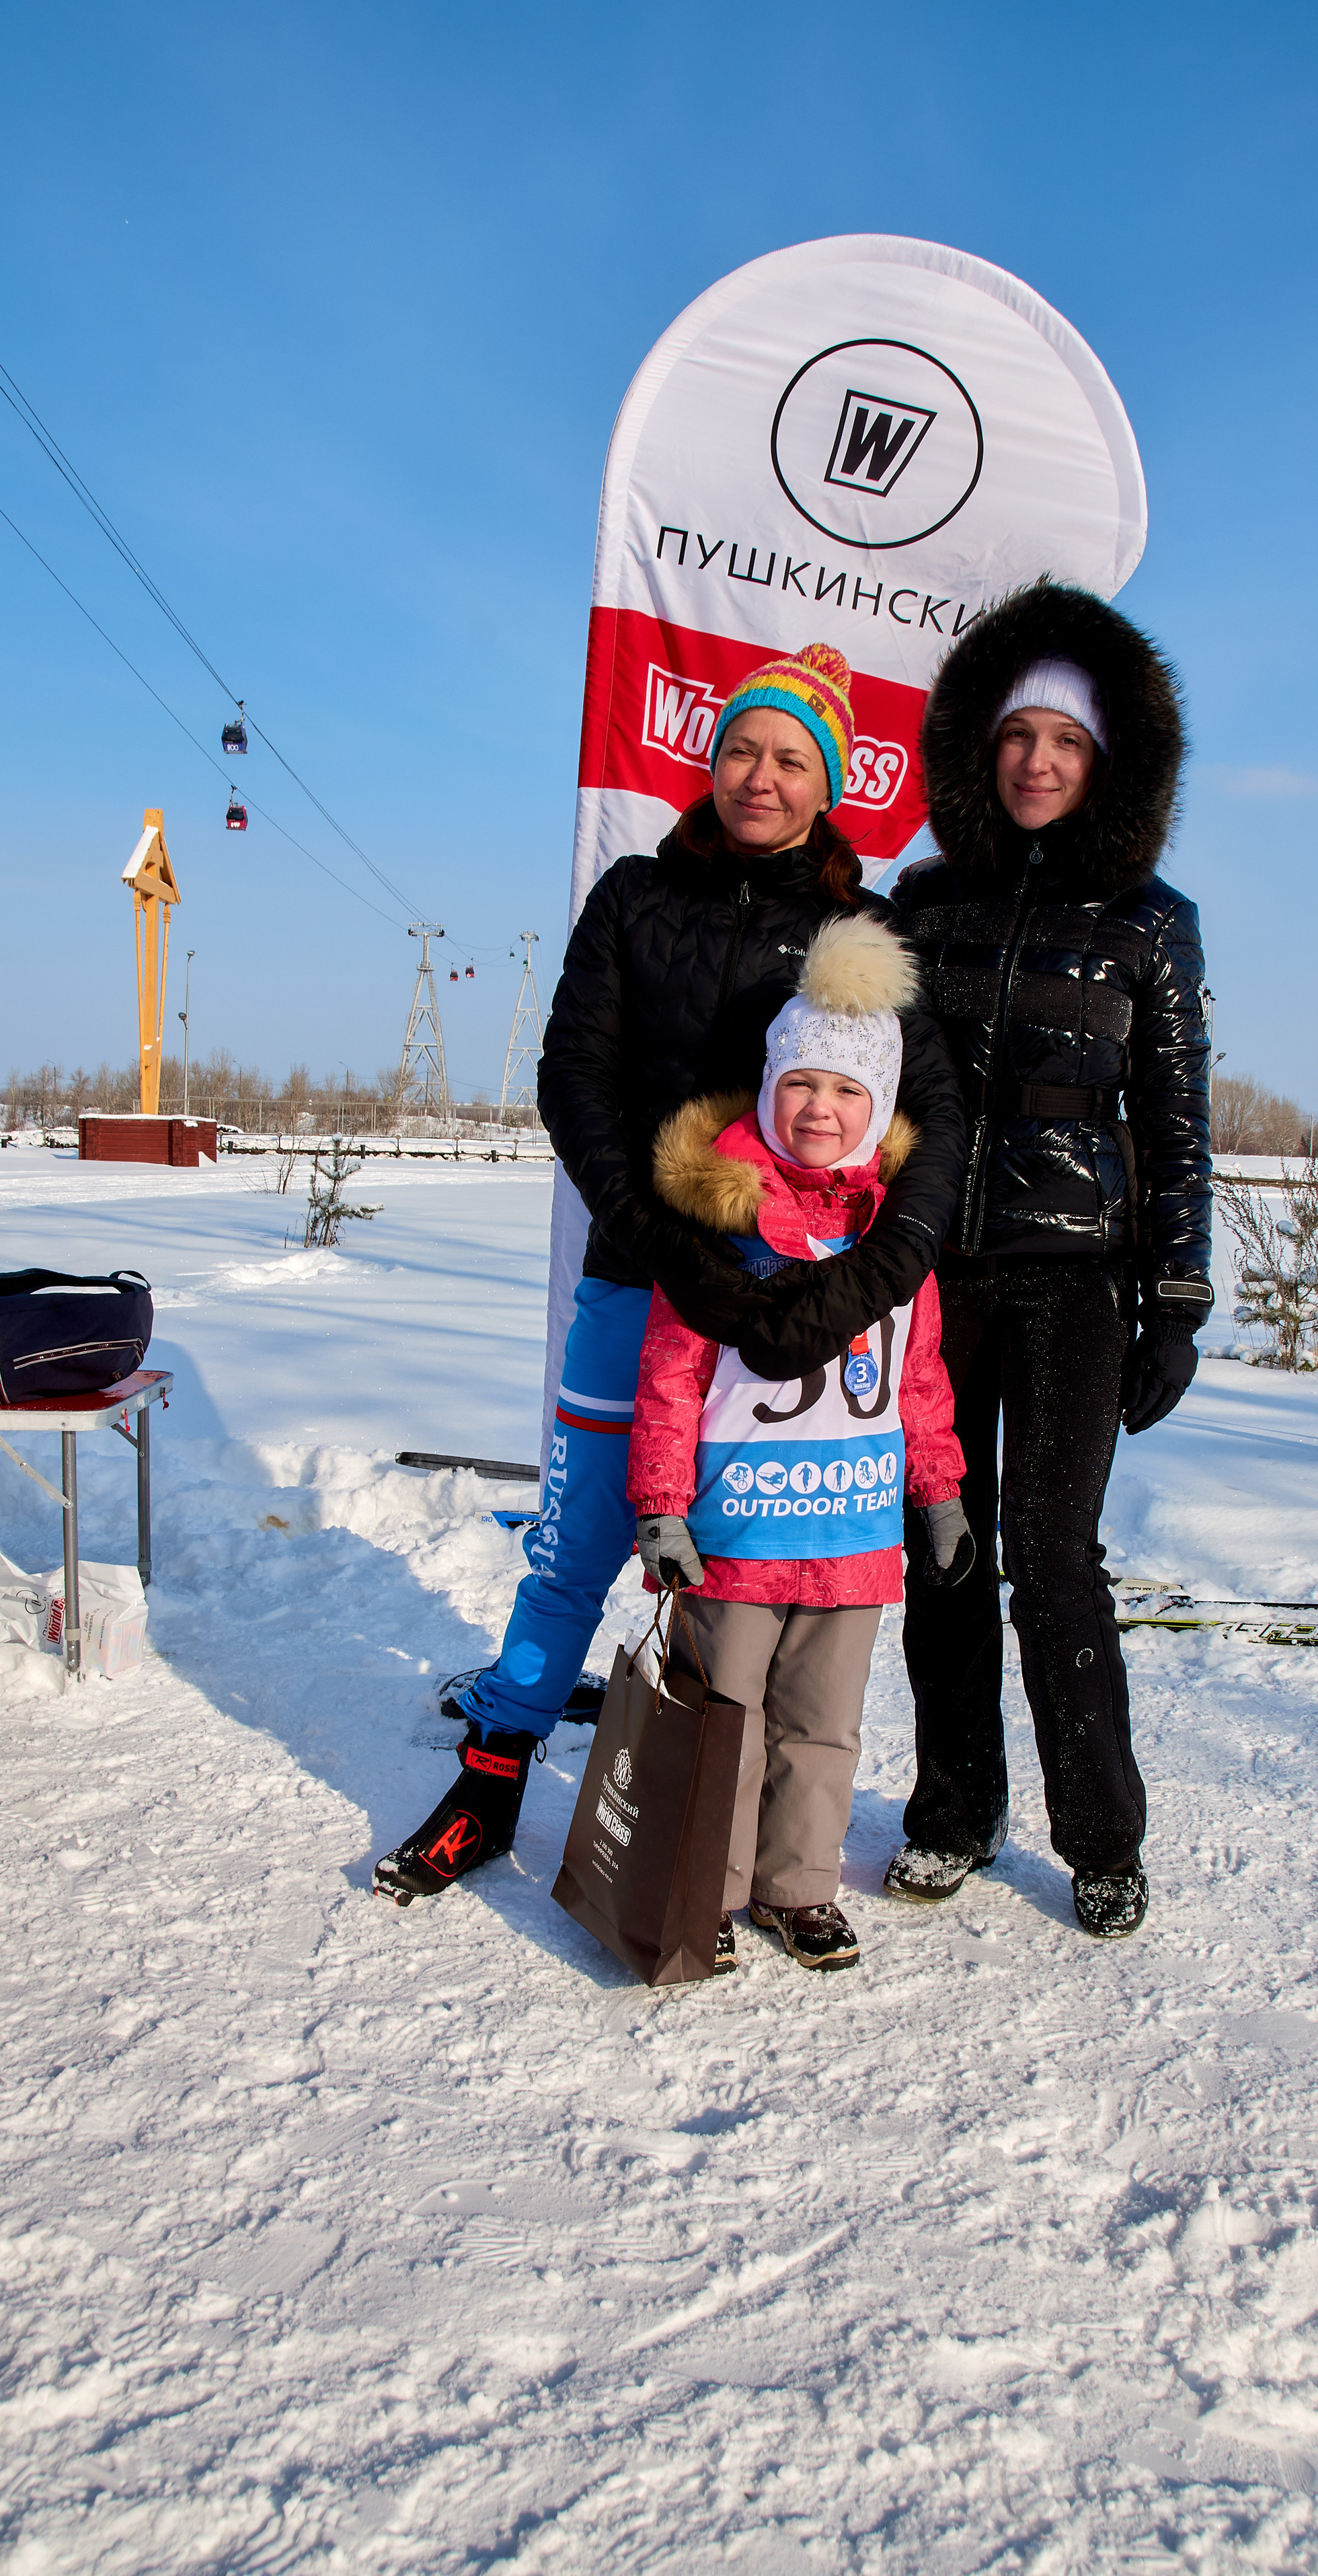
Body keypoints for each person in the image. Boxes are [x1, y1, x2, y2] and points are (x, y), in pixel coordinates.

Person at [374, 643, 966, 1905]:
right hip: (640, 1276)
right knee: (582, 1528)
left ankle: (746, 1825)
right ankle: (494, 1773)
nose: (762, 775)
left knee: (762, 1563)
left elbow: (935, 1122)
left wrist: (869, 1282)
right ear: (711, 757)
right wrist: (662, 1245)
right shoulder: (635, 897)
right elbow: (571, 1077)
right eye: (744, 747)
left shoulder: (857, 936)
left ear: (833, 782)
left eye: (792, 758)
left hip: (798, 1308)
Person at [883, 579, 1212, 1939]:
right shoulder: (920, 900)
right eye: (1015, 737)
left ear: (1104, 761)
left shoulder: (1148, 919)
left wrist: (1174, 1300)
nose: (1035, 762)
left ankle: (1101, 1837)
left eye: (1063, 744)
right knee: (940, 1549)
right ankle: (954, 1813)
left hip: (1075, 1273)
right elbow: (862, 1082)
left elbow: (1179, 1112)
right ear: (980, 748)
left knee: (1051, 1551)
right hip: (934, 1270)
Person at [628, 914, 969, 1972]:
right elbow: (673, 1380)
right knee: (724, 1722)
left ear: (877, 1111)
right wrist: (661, 1508)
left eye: (847, 1092)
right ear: (771, 1090)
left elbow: (920, 1380)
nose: (821, 1109)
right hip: (735, 1536)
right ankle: (712, 1888)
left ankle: (799, 1887)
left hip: (854, 1537)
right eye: (801, 1086)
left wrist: (941, 1490)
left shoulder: (896, 1241)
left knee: (822, 1728)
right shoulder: (719, 1232)